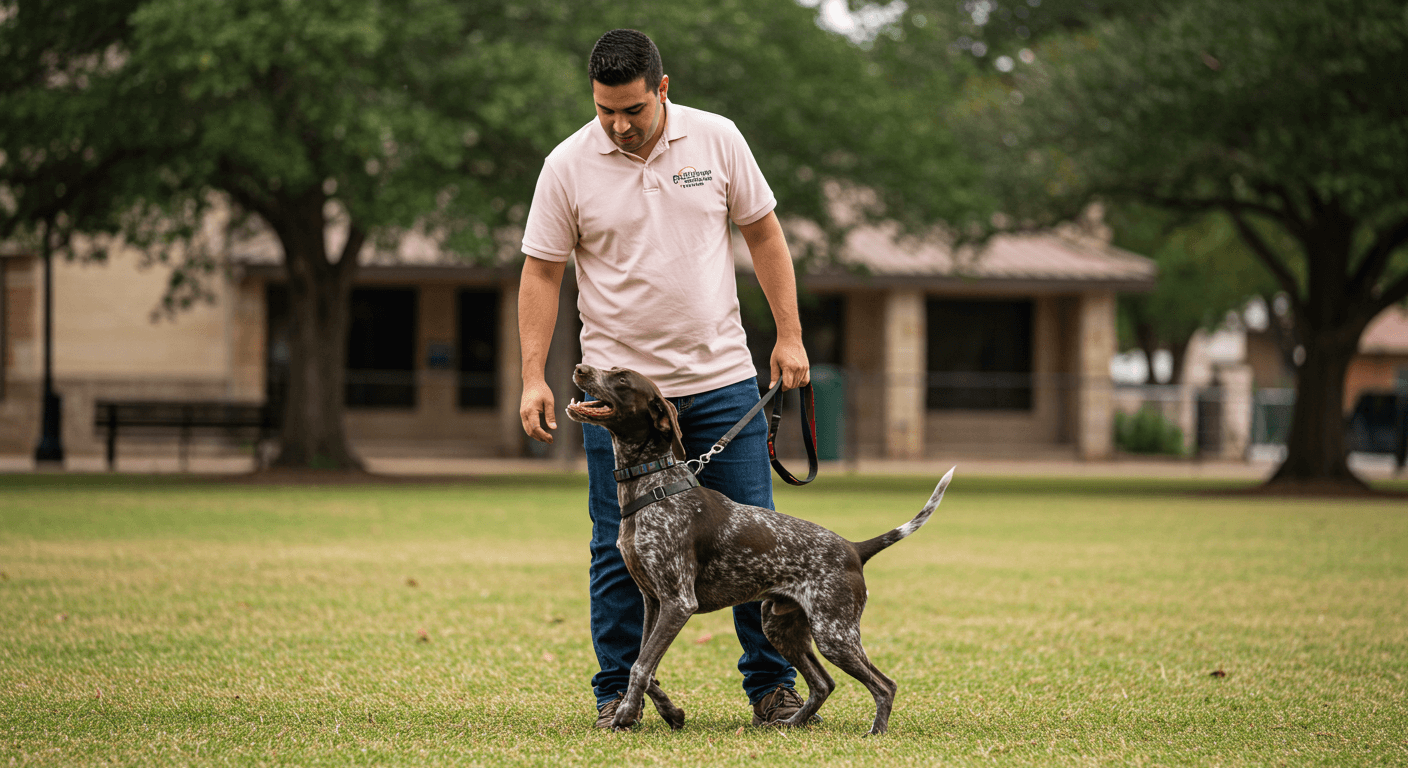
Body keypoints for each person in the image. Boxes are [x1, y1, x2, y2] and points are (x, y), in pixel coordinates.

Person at [516, 29, 813, 729]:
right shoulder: (566, 164)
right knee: (614, 548)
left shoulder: (717, 140)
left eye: (633, 111)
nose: (618, 126)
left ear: (663, 90)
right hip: (618, 404)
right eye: (604, 111)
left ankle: (772, 689)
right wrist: (534, 375)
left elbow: (764, 234)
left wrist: (791, 334)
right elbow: (541, 270)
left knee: (753, 538)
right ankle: (617, 693)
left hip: (720, 382)